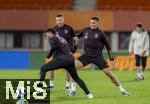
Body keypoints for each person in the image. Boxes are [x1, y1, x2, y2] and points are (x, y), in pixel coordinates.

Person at [69, 16, 130, 96]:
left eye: (93, 23)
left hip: (97, 57)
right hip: (86, 56)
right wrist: (76, 38)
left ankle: (122, 89)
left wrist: (111, 58)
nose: (92, 24)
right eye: (90, 23)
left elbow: (108, 46)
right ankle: (73, 89)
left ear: (97, 23)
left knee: (108, 73)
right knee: (71, 67)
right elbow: (77, 36)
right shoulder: (85, 30)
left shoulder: (100, 33)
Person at [37, 28, 93, 99]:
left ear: (51, 34)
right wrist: (76, 44)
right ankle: (89, 94)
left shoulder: (53, 38)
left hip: (62, 59)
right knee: (76, 78)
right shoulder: (62, 40)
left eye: (47, 35)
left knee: (43, 68)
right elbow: (73, 50)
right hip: (71, 59)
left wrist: (49, 55)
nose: (47, 37)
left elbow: (54, 47)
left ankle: (39, 90)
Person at [49, 14, 77, 91]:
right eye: (57, 20)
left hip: (67, 52)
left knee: (68, 68)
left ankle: (67, 84)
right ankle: (51, 84)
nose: (59, 22)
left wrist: (74, 47)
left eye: (60, 20)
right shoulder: (54, 29)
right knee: (51, 67)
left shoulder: (69, 28)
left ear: (63, 20)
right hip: (58, 52)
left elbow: (75, 37)